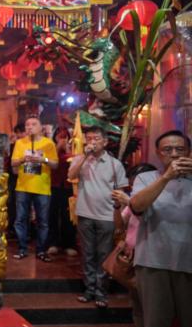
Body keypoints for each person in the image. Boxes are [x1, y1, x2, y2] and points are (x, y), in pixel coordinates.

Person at [129, 130, 192, 327]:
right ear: (158, 153)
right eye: (167, 150)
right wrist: (166, 177)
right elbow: (137, 206)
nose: (174, 154)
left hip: (188, 262)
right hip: (153, 262)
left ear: (189, 152)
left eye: (180, 149)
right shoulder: (147, 178)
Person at [68, 126, 128, 309]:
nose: (92, 142)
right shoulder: (80, 159)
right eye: (89, 139)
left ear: (105, 142)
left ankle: (102, 292)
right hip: (85, 213)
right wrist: (85, 157)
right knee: (87, 254)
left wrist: (120, 217)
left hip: (107, 216)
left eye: (96, 139)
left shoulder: (114, 164)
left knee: (103, 254)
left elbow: (122, 191)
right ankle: (89, 290)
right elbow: (71, 176)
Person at [114, 163, 157, 327]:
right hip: (132, 257)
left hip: (151, 258)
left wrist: (131, 201)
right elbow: (119, 226)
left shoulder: (153, 198)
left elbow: (148, 217)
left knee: (153, 309)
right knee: (138, 307)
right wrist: (118, 206)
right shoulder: (133, 200)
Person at [11, 115, 58, 261]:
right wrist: (22, 159)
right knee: (20, 219)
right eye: (27, 125)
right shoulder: (20, 143)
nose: (29, 127)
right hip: (23, 186)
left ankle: (41, 250)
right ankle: (22, 248)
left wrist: (42, 159)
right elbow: (13, 163)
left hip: (42, 187)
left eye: (33, 124)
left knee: (42, 221)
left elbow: (55, 164)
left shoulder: (48, 144)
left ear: (40, 127)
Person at [47, 127, 77, 256]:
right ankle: (53, 243)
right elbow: (50, 164)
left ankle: (69, 244)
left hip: (69, 187)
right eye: (59, 135)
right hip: (52, 186)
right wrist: (58, 148)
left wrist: (67, 149)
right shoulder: (50, 148)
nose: (62, 138)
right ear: (54, 136)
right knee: (52, 215)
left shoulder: (74, 149)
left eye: (65, 136)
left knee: (68, 216)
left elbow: (74, 164)